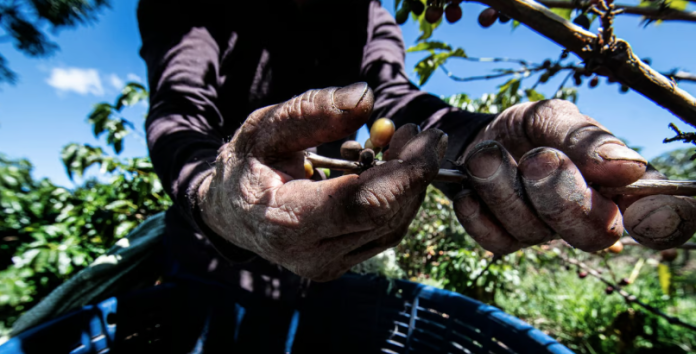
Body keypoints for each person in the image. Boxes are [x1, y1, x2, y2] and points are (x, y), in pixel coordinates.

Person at [138, 0, 695, 288]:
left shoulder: (367, 13)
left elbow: (395, 100)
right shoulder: (192, 7)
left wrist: (482, 141)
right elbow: (178, 110)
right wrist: (216, 194)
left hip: (330, 253)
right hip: (210, 257)